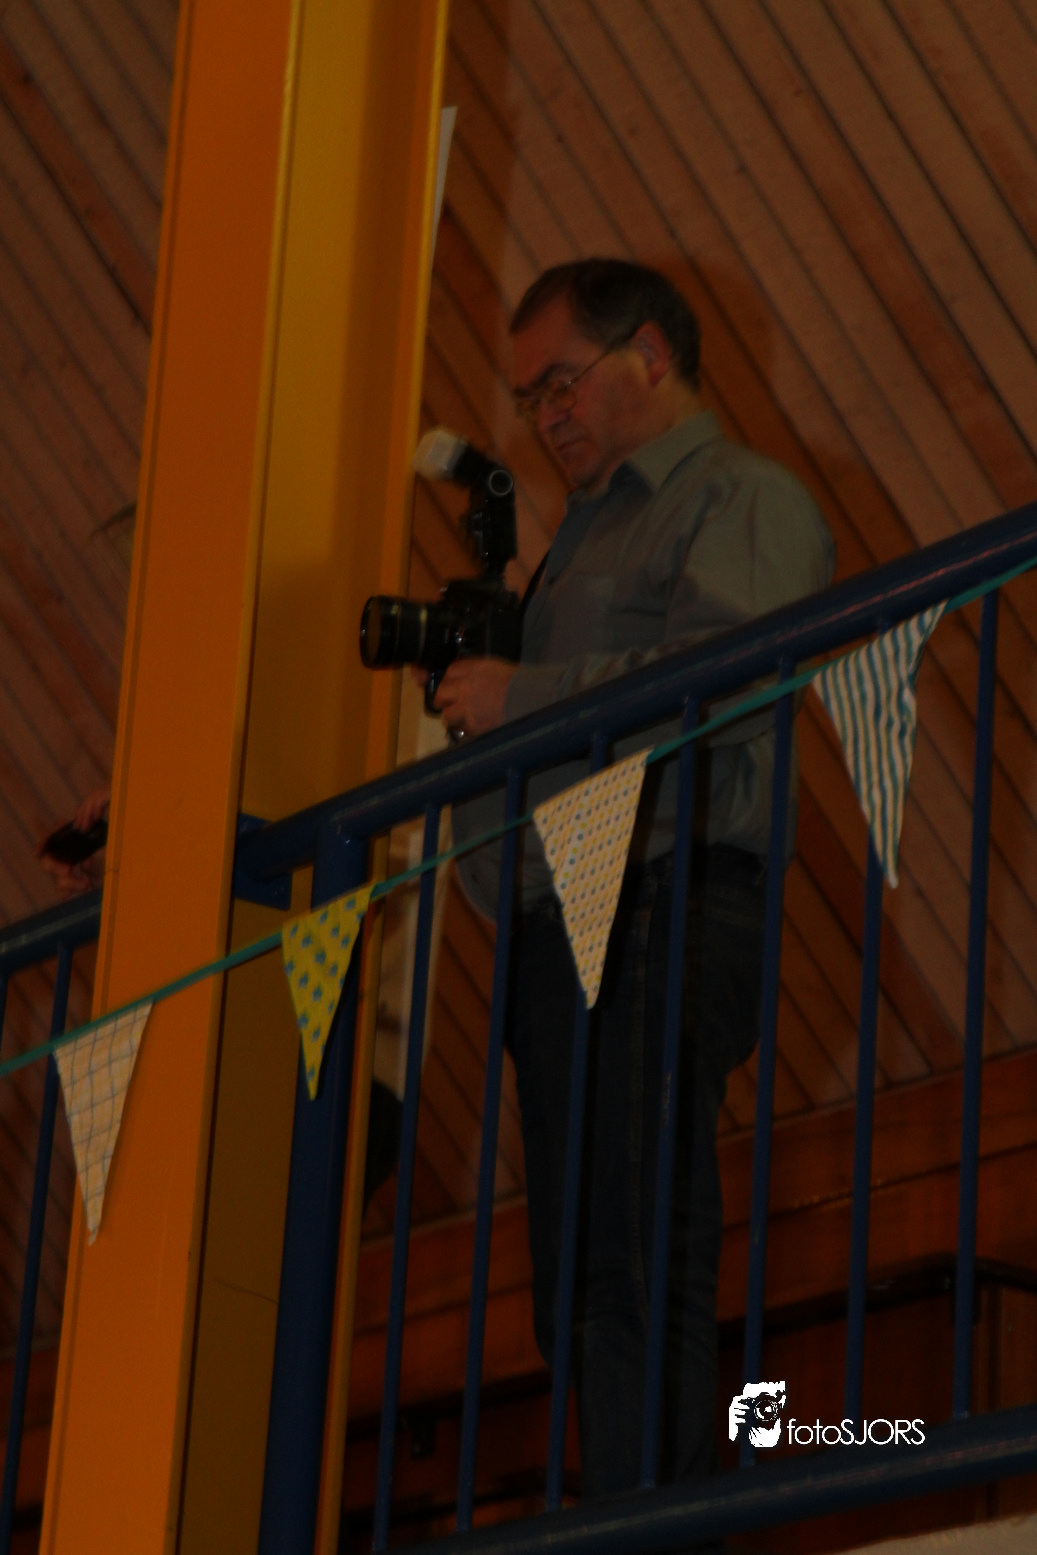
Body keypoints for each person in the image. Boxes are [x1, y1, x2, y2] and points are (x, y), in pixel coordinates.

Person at [436, 257, 836, 1513]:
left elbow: (729, 675)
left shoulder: (740, 495)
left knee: (630, 1253)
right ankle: (624, 1511)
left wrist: (522, 698)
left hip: (662, 894)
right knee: (576, 1279)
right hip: (569, 915)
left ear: (650, 355)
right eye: (527, 398)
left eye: (558, 384)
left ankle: (648, 1528)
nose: (543, 416)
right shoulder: (578, 540)